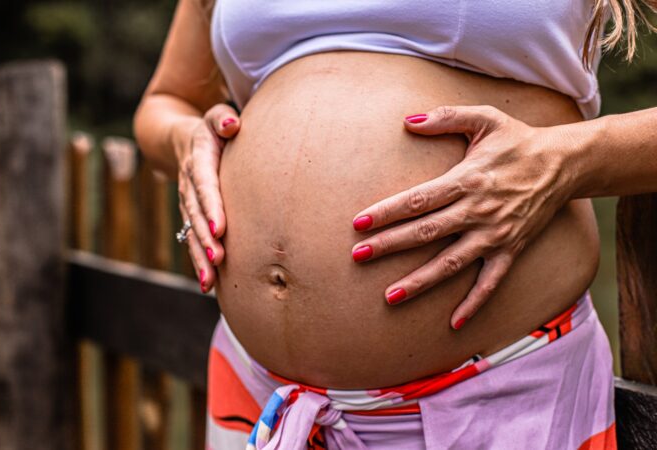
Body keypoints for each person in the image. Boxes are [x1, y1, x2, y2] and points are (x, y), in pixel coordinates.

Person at [134, 0, 654, 448]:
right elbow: (166, 102)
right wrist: (186, 141)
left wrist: (566, 159)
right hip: (259, 396)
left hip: (492, 399)